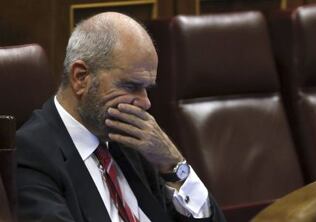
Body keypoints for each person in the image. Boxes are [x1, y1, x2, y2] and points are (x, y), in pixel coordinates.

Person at [16, 12, 225, 222]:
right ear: (81, 78)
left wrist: (173, 164)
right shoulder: (32, 154)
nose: (145, 103)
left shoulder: (132, 142)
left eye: (147, 89)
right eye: (131, 86)